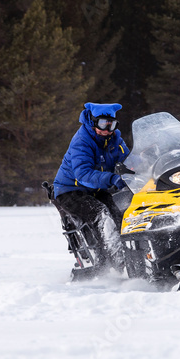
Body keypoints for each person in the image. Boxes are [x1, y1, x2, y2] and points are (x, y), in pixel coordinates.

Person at [52, 102, 131, 271]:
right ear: (93, 121)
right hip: (69, 190)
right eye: (103, 124)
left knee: (121, 214)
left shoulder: (115, 139)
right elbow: (84, 174)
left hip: (95, 189)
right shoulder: (82, 141)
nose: (107, 130)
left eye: (112, 125)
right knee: (101, 215)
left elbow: (129, 159)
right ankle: (118, 264)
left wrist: (143, 166)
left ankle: (132, 257)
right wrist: (112, 178)